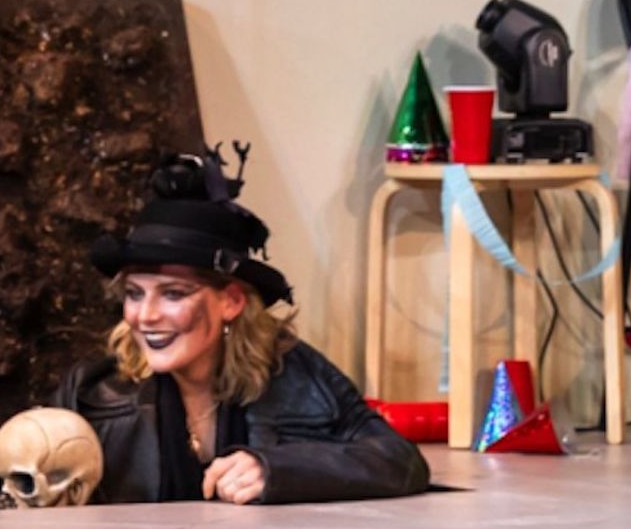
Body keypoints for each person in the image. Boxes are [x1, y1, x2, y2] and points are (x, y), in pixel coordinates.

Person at [52, 148, 432, 505]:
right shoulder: (92, 392)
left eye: (172, 294)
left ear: (231, 301)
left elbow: (400, 462)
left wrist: (277, 470)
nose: (145, 315)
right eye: (135, 294)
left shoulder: (297, 375)